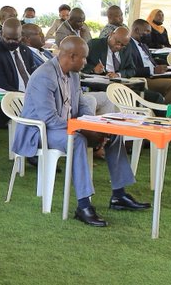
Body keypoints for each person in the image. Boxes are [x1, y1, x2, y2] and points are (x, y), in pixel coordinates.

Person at [12, 36, 143, 228]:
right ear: (72, 56)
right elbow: (49, 119)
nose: (87, 62)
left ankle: (119, 194)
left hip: (65, 127)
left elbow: (82, 105)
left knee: (113, 133)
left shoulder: (73, 74)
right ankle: (83, 206)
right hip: (39, 131)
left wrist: (94, 126)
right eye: (84, 58)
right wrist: (84, 130)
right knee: (78, 140)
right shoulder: (44, 76)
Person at [0, 18, 38, 127]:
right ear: (1, 34)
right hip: (8, 104)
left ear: (21, 35)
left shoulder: (25, 51)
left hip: (30, 98)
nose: (12, 42)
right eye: (8, 38)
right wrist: (27, 96)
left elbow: (35, 76)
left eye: (15, 39)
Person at [124, 20, 171, 105]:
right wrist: (152, 70)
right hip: (144, 78)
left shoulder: (143, 45)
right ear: (136, 30)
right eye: (146, 31)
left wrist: (161, 67)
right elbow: (131, 69)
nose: (149, 34)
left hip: (156, 75)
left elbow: (151, 62)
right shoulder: (128, 45)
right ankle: (167, 114)